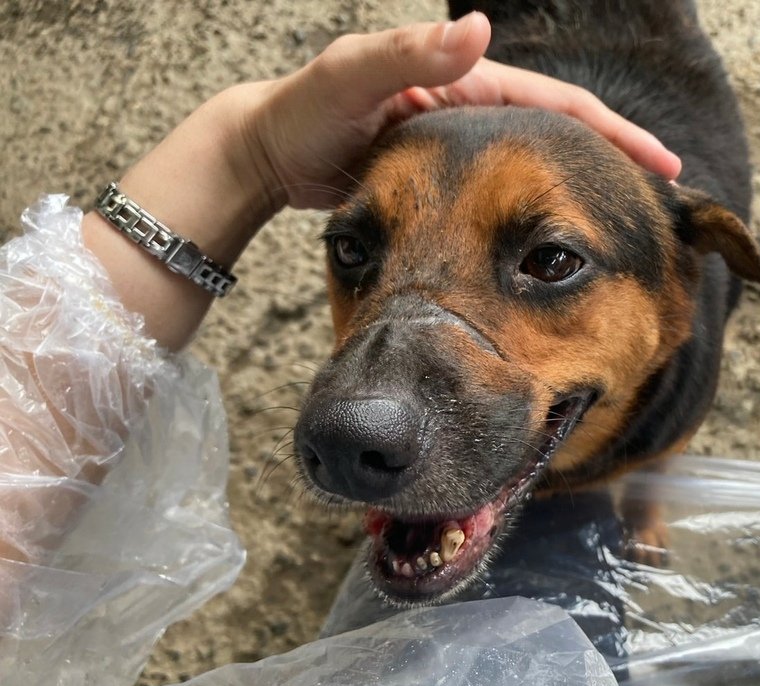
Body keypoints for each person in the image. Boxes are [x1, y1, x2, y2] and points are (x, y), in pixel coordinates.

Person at [0, 12, 679, 566]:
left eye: (552, 262)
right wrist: (250, 153)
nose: (363, 415)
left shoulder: (677, 279)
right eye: (356, 250)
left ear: (676, 301)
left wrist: (254, 150)